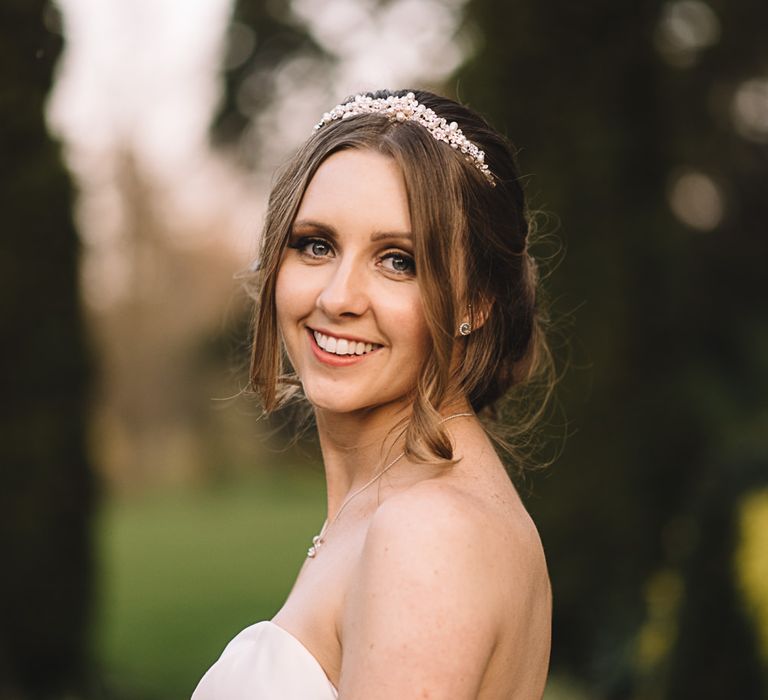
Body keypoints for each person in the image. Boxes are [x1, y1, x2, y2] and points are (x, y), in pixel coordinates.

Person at [192, 89, 553, 699]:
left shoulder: (427, 534)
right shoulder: (399, 512)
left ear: (476, 301)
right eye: (317, 245)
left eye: (398, 261)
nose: (338, 298)